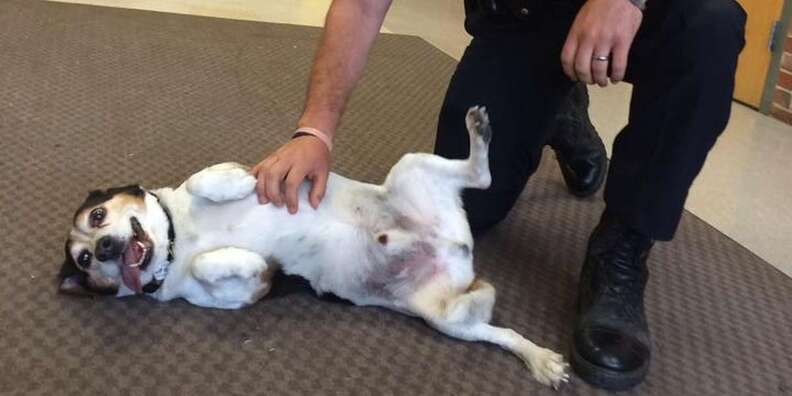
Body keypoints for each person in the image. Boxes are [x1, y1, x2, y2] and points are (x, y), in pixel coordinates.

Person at [251, 0, 746, 390]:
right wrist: (315, 131)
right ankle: (560, 109)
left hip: (646, 10)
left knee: (711, 25)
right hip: (523, 17)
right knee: (465, 211)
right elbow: (360, 5)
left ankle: (624, 244)